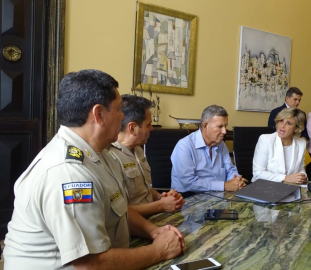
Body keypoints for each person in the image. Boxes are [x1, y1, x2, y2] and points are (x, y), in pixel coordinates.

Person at [3, 70, 184, 270]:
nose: (123, 116)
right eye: (118, 109)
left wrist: (153, 231)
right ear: (99, 114)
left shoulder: (101, 154)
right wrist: (160, 250)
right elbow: (91, 265)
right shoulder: (68, 173)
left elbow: (119, 211)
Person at [109, 95, 185, 217]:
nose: (152, 128)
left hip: (153, 217)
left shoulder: (138, 149)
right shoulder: (111, 157)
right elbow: (120, 211)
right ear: (132, 128)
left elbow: (144, 189)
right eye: (148, 125)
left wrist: (162, 197)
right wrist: (161, 205)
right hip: (133, 228)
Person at [171, 105, 248, 193]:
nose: (224, 131)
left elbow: (230, 169)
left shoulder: (221, 144)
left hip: (218, 197)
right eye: (220, 127)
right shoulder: (184, 146)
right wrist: (225, 186)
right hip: (189, 198)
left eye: (225, 126)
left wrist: (237, 181)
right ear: (205, 126)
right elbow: (188, 182)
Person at [252, 107, 307, 184]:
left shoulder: (301, 143)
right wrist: (285, 178)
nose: (282, 126)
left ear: (296, 128)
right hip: (264, 187)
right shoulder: (265, 140)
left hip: (289, 187)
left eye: (288, 123)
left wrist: (302, 176)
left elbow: (300, 168)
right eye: (281, 121)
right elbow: (258, 173)